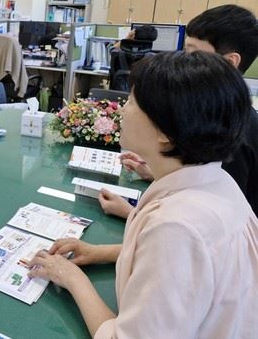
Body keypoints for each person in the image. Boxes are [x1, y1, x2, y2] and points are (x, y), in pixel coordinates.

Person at [28, 51, 258, 338]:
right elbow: (186, 269)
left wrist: (71, 278)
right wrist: (100, 253)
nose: (123, 109)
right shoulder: (218, 181)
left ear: (164, 130)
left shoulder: (176, 227)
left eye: (133, 102)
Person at [102, 4, 258, 218]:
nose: (184, 60)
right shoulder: (215, 113)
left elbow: (210, 222)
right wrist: (158, 172)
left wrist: (133, 215)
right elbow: (200, 181)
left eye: (193, 53)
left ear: (230, 62)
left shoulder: (229, 131)